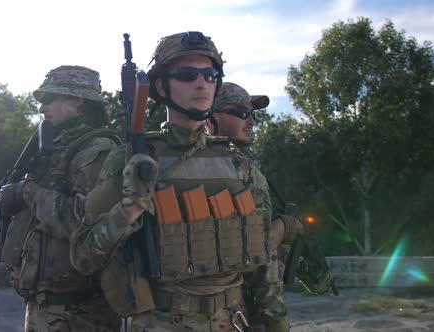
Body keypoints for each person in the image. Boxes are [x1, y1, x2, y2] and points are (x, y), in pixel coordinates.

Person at [70, 31, 285, 331]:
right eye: (186, 74)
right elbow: (83, 256)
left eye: (209, 75)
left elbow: (264, 262)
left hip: (232, 320)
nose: (201, 83)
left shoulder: (239, 164)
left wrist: (276, 324)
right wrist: (129, 211)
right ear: (160, 85)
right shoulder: (130, 158)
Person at [0, 65, 122, 332]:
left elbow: (82, 221)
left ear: (77, 100)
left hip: (80, 313)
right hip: (47, 307)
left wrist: (26, 191)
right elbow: (40, 220)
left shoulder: (98, 151)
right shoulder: (57, 150)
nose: (42, 109)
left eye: (49, 99)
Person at [206, 82, 306, 331]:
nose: (251, 121)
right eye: (241, 113)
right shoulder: (240, 168)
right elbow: (258, 255)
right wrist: (282, 228)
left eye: (253, 114)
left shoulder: (184, 162)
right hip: (237, 310)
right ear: (211, 116)